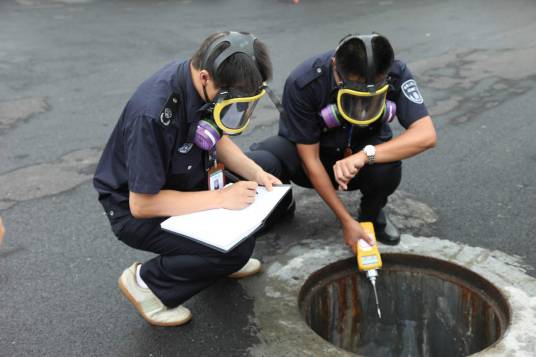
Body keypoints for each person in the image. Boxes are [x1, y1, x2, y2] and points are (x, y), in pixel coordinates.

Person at [93, 31, 284, 327]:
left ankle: (217, 259)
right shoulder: (153, 113)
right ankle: (147, 284)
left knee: (266, 169)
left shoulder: (203, 83)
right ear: (206, 76)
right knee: (232, 252)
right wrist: (221, 199)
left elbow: (213, 138)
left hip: (185, 179)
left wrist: (256, 173)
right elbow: (141, 205)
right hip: (136, 207)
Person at [250, 33, 436, 251]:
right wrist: (346, 221)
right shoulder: (304, 82)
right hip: (313, 156)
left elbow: (426, 135)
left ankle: (371, 217)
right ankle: (281, 207)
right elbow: (310, 161)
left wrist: (365, 155)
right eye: (354, 89)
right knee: (263, 160)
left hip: (361, 156)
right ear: (335, 65)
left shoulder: (395, 72)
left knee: (388, 165)